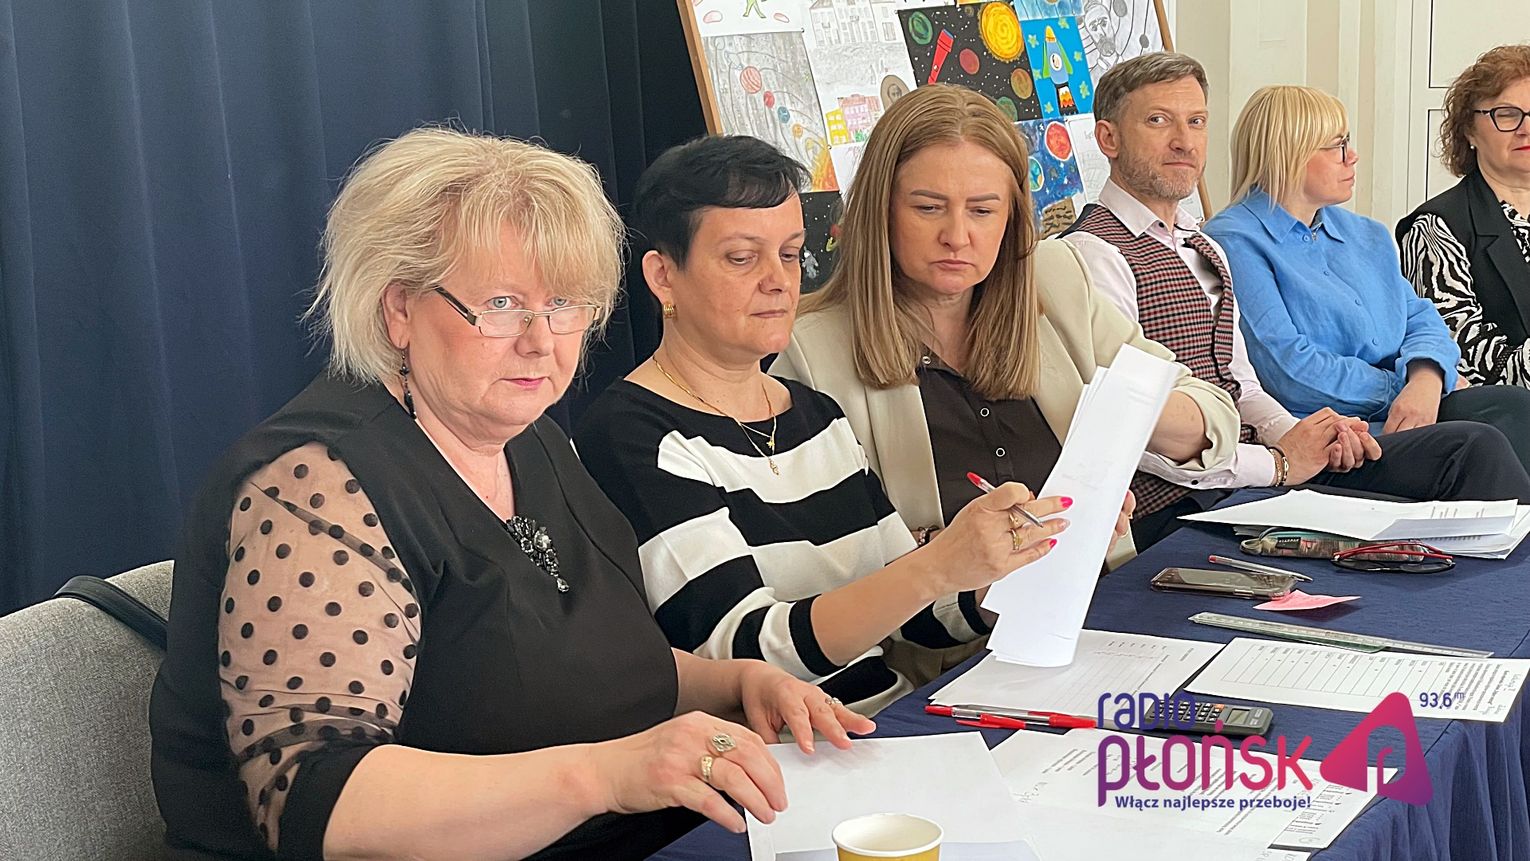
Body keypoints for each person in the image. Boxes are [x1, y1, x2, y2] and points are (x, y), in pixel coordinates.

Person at [148, 128, 874, 861]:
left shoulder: (531, 441)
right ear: (399, 309)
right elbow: (320, 802)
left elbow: (585, 663)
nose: (540, 340)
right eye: (500, 304)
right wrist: (606, 776)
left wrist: (736, 683)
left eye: (563, 304)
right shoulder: (312, 488)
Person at [576, 135, 1081, 717]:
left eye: (790, 254)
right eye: (742, 258)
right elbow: (740, 653)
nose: (778, 280)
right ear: (664, 276)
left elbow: (916, 619)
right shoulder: (633, 434)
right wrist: (936, 565)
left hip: (887, 723)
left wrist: (1024, 555)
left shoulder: (813, 412)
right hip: (787, 751)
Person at [772, 83, 1242, 569]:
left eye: (982, 210)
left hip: (1099, 594)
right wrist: (953, 548)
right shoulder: (809, 350)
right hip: (947, 619)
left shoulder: (1056, 276)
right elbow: (820, 560)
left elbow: (1216, 421)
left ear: (1011, 217)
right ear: (880, 210)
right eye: (928, 208)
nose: (957, 236)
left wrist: (1123, 412)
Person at [1065, 54, 1530, 545]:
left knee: (1507, 413)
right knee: (1481, 441)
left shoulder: (1201, 243)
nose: (1184, 140)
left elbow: (1241, 381)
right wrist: (1291, 454)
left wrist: (1421, 381)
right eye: (1159, 120)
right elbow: (1284, 369)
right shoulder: (1147, 247)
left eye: (1196, 121)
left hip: (1309, 438)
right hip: (1239, 469)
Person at [1205, 85, 1530, 472]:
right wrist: (1403, 389)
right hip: (1338, 434)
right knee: (1489, 436)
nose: (1352, 156)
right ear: (1289, 154)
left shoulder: (1366, 234)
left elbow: (1421, 319)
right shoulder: (1234, 240)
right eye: (1338, 145)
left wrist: (1426, 380)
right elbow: (1288, 368)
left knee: (1514, 408)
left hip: (1414, 409)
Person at [1399, 45, 1530, 388]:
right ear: (1469, 131)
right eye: (1507, 114)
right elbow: (1462, 357)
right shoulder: (1435, 228)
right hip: (1503, 413)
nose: (1526, 128)